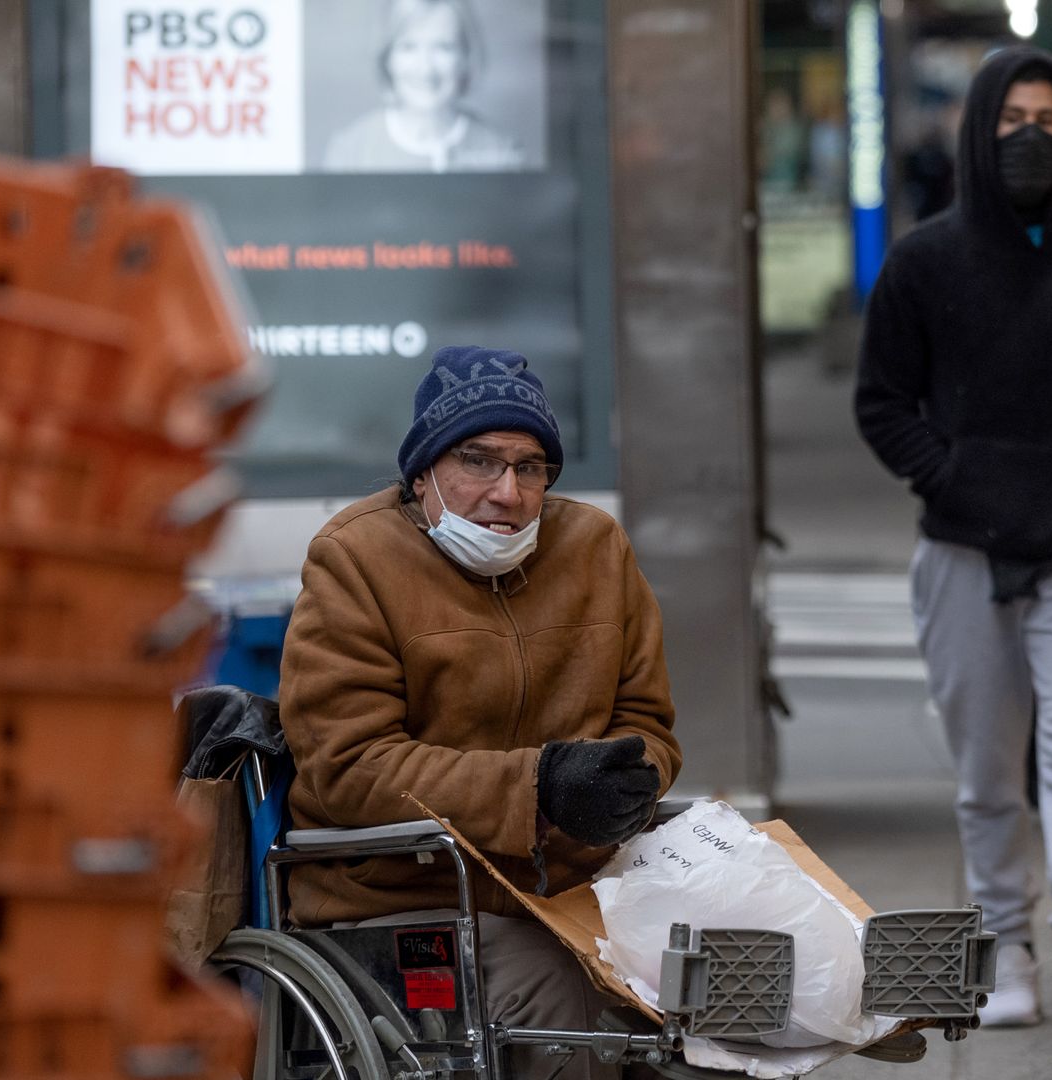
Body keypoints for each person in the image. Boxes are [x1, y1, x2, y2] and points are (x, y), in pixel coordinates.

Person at [853, 47, 1052, 1037]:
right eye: (1010, 118)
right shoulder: (923, 262)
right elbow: (882, 403)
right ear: (977, 129)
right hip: (960, 555)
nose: (1030, 136)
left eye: (1048, 117)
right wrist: (955, 477)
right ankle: (1008, 951)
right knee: (988, 777)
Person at [279, 346, 679, 1080]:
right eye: (480, 461)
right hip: (407, 891)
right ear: (424, 470)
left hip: (574, 889)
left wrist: (625, 779)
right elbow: (348, 768)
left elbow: (647, 721)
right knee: (561, 996)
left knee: (731, 982)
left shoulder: (594, 547)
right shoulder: (355, 559)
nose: (508, 492)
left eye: (531, 468)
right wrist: (540, 786)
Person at [322, 0, 528, 173]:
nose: (426, 69)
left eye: (443, 48)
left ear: (465, 57)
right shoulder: (350, 152)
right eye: (408, 47)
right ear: (387, 58)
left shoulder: (503, 155)